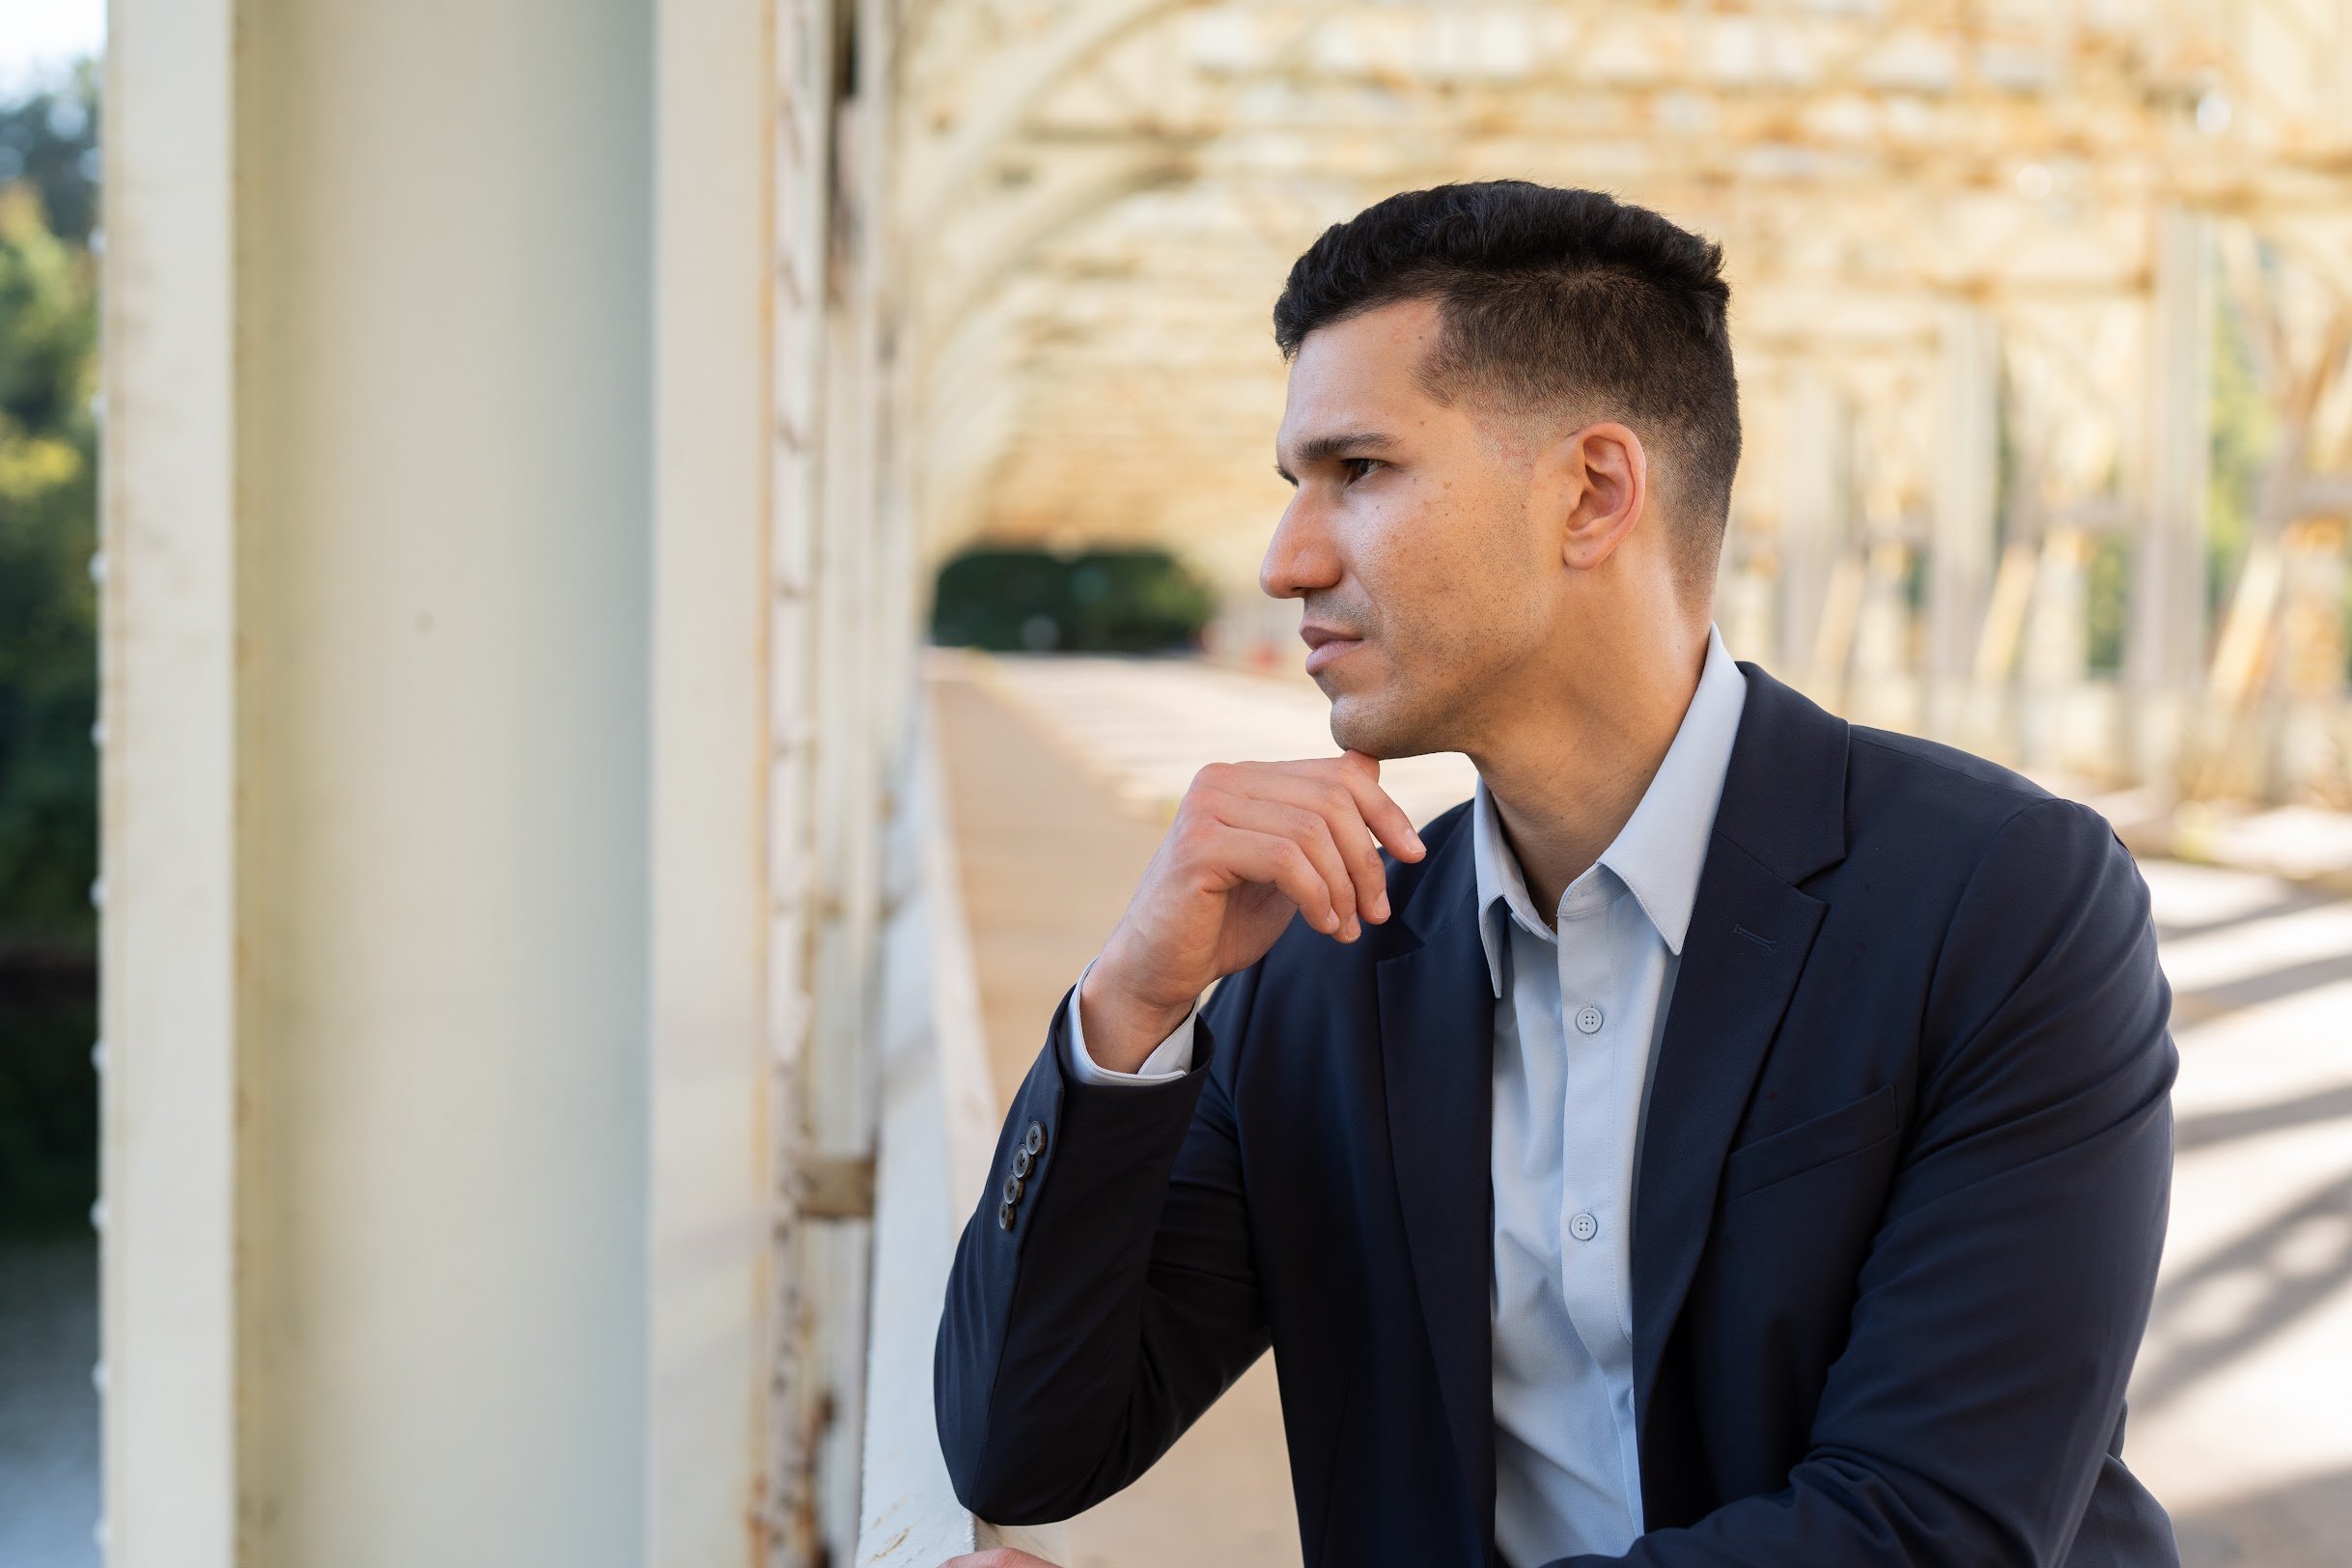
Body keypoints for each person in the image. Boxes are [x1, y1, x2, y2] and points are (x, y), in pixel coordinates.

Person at [931, 181, 2177, 1568]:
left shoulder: (2004, 905)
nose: (1287, 562)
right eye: (1294, 487)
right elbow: (1022, 1444)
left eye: (1360, 470)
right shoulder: (1323, 957)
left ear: (1593, 494)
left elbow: (1927, 1535)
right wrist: (1132, 1000)